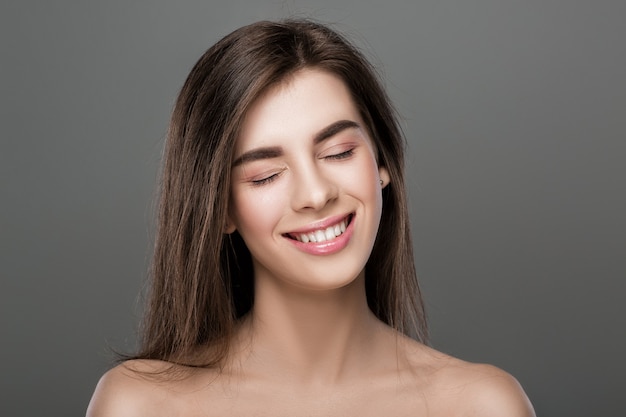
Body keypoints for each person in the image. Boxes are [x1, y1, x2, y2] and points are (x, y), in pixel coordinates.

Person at [87, 19, 535, 416]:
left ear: (382, 164)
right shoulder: (141, 405)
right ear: (220, 208)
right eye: (264, 176)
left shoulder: (480, 405)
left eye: (339, 152)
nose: (316, 194)